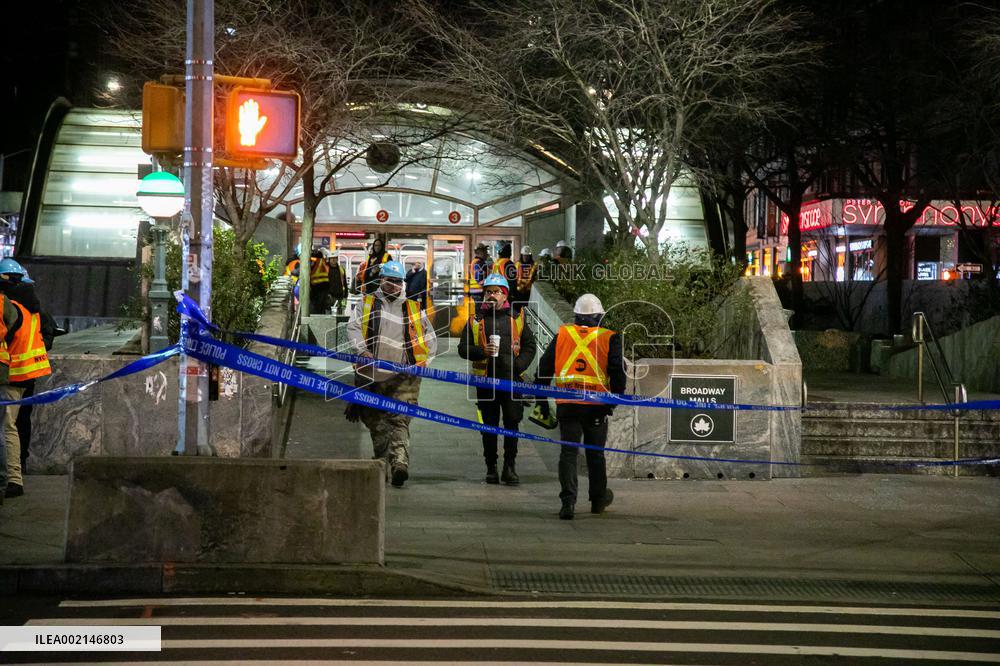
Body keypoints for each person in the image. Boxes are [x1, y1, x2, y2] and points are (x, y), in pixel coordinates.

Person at [346, 260, 437, 488]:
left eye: (398, 281)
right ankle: (381, 463)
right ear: (381, 280)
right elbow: (353, 328)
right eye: (389, 280)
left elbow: (430, 337)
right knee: (375, 420)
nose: (394, 285)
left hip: (405, 375)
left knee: (399, 419)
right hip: (372, 374)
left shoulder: (413, 308)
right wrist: (362, 351)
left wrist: (424, 362)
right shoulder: (366, 303)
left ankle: (399, 463)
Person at [536, 293, 625, 520]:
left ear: (576, 315)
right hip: (596, 407)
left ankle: (568, 503)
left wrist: (541, 402)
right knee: (595, 454)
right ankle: (598, 501)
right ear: (599, 316)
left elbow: (544, 368)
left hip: (568, 406)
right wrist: (613, 401)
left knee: (568, 453)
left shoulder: (562, 335)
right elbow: (617, 371)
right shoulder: (610, 338)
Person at [459, 274, 536, 485]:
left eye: (496, 292)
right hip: (486, 384)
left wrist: (518, 366)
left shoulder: (517, 319)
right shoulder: (475, 320)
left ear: (505, 295)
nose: (491, 295)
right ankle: (491, 467)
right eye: (488, 292)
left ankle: (509, 467)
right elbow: (462, 349)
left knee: (512, 424)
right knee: (489, 426)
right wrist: (481, 351)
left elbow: (530, 346)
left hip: (512, 383)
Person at [0, 262, 55, 491]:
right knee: (19, 422)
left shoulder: (12, 307)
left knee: (7, 426)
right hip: (28, 373)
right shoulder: (33, 308)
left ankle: (13, 479)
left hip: (13, 373)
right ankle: (18, 468)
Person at [512, 245, 537, 310]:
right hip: (518, 291)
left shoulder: (534, 265)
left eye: (527, 256)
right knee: (517, 309)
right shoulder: (517, 264)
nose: (525, 257)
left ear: (530, 256)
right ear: (521, 255)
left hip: (528, 292)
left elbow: (533, 278)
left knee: (525, 309)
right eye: (524, 255)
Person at [307, 249, 331, 314]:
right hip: (325, 286)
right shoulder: (324, 262)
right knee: (322, 305)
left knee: (316, 305)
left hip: (316, 286)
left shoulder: (313, 261)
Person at [326, 247, 349, 314]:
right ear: (329, 259)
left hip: (340, 297)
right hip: (329, 297)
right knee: (328, 315)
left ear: (337, 259)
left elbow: (344, 283)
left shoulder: (341, 269)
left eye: (335, 258)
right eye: (332, 258)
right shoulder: (325, 269)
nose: (333, 260)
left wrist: (345, 296)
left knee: (339, 315)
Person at [467, 243, 490, 308]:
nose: (487, 253)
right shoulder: (479, 263)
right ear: (481, 252)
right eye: (485, 251)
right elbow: (480, 280)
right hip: (478, 291)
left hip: (475, 291)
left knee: (477, 310)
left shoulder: (475, 261)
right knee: (478, 311)